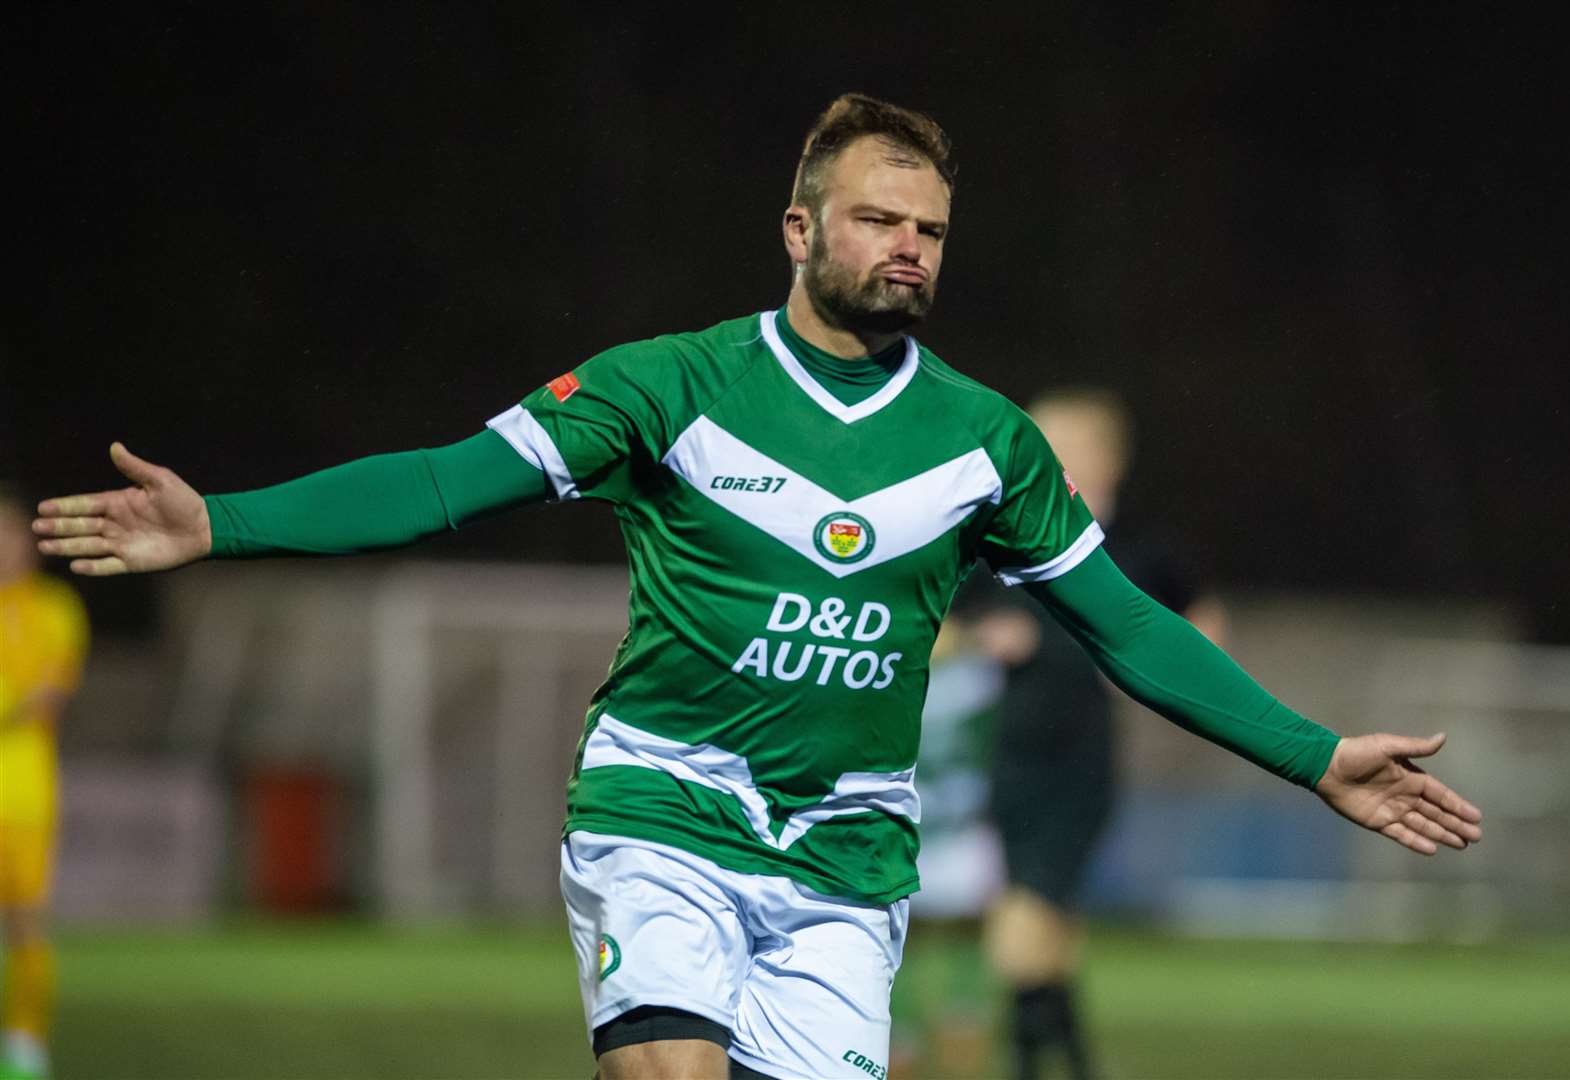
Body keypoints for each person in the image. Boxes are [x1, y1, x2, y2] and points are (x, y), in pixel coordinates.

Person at [32, 94, 1483, 1080]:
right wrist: (215, 521)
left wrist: (1313, 756)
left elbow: (1124, 626)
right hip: (666, 801)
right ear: (800, 231)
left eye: (927, 231)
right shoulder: (669, 387)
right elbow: (435, 481)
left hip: (850, 858)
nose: (906, 249)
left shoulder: (986, 444)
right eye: (875, 221)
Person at [956, 389, 1224, 1080]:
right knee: (1048, 933)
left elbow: (1204, 625)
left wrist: (1161, 677)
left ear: (1106, 458)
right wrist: (981, 636)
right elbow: (936, 627)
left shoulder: (1141, 548)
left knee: (1023, 928)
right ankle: (1072, 1064)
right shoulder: (1000, 534)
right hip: (1008, 757)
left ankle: (1024, 1064)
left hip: (1083, 759)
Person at [0, 486, 90, 1080]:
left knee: (27, 918)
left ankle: (26, 1042)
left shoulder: (56, 608)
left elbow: (46, 697)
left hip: (24, 794)